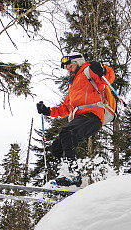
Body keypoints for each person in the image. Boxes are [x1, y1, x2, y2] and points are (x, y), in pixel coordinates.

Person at [36, 53, 115, 186]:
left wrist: (102, 69)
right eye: (67, 68)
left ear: (78, 62)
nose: (69, 70)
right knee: (57, 146)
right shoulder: (73, 86)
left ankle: (73, 174)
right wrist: (48, 111)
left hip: (93, 114)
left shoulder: (88, 71)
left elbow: (108, 77)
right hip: (79, 117)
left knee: (68, 132)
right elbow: (66, 108)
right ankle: (65, 176)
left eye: (70, 66)